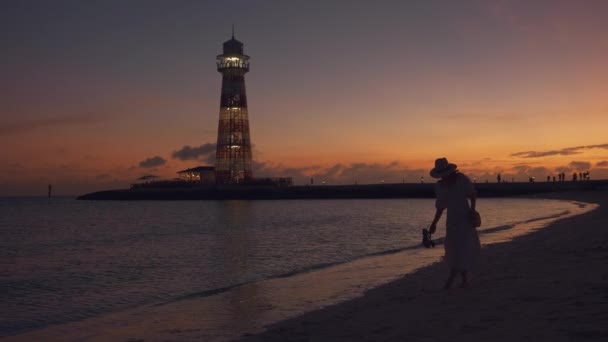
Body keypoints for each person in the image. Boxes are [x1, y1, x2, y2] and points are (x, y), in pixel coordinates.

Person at [428, 158, 480, 289]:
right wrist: (434, 223)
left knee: (463, 248)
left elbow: (472, 195)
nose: (443, 176)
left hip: (465, 217)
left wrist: (472, 211)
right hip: (452, 220)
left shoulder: (461, 179)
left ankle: (450, 281)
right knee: (453, 249)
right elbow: (440, 207)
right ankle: (464, 279)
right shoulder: (439, 187)